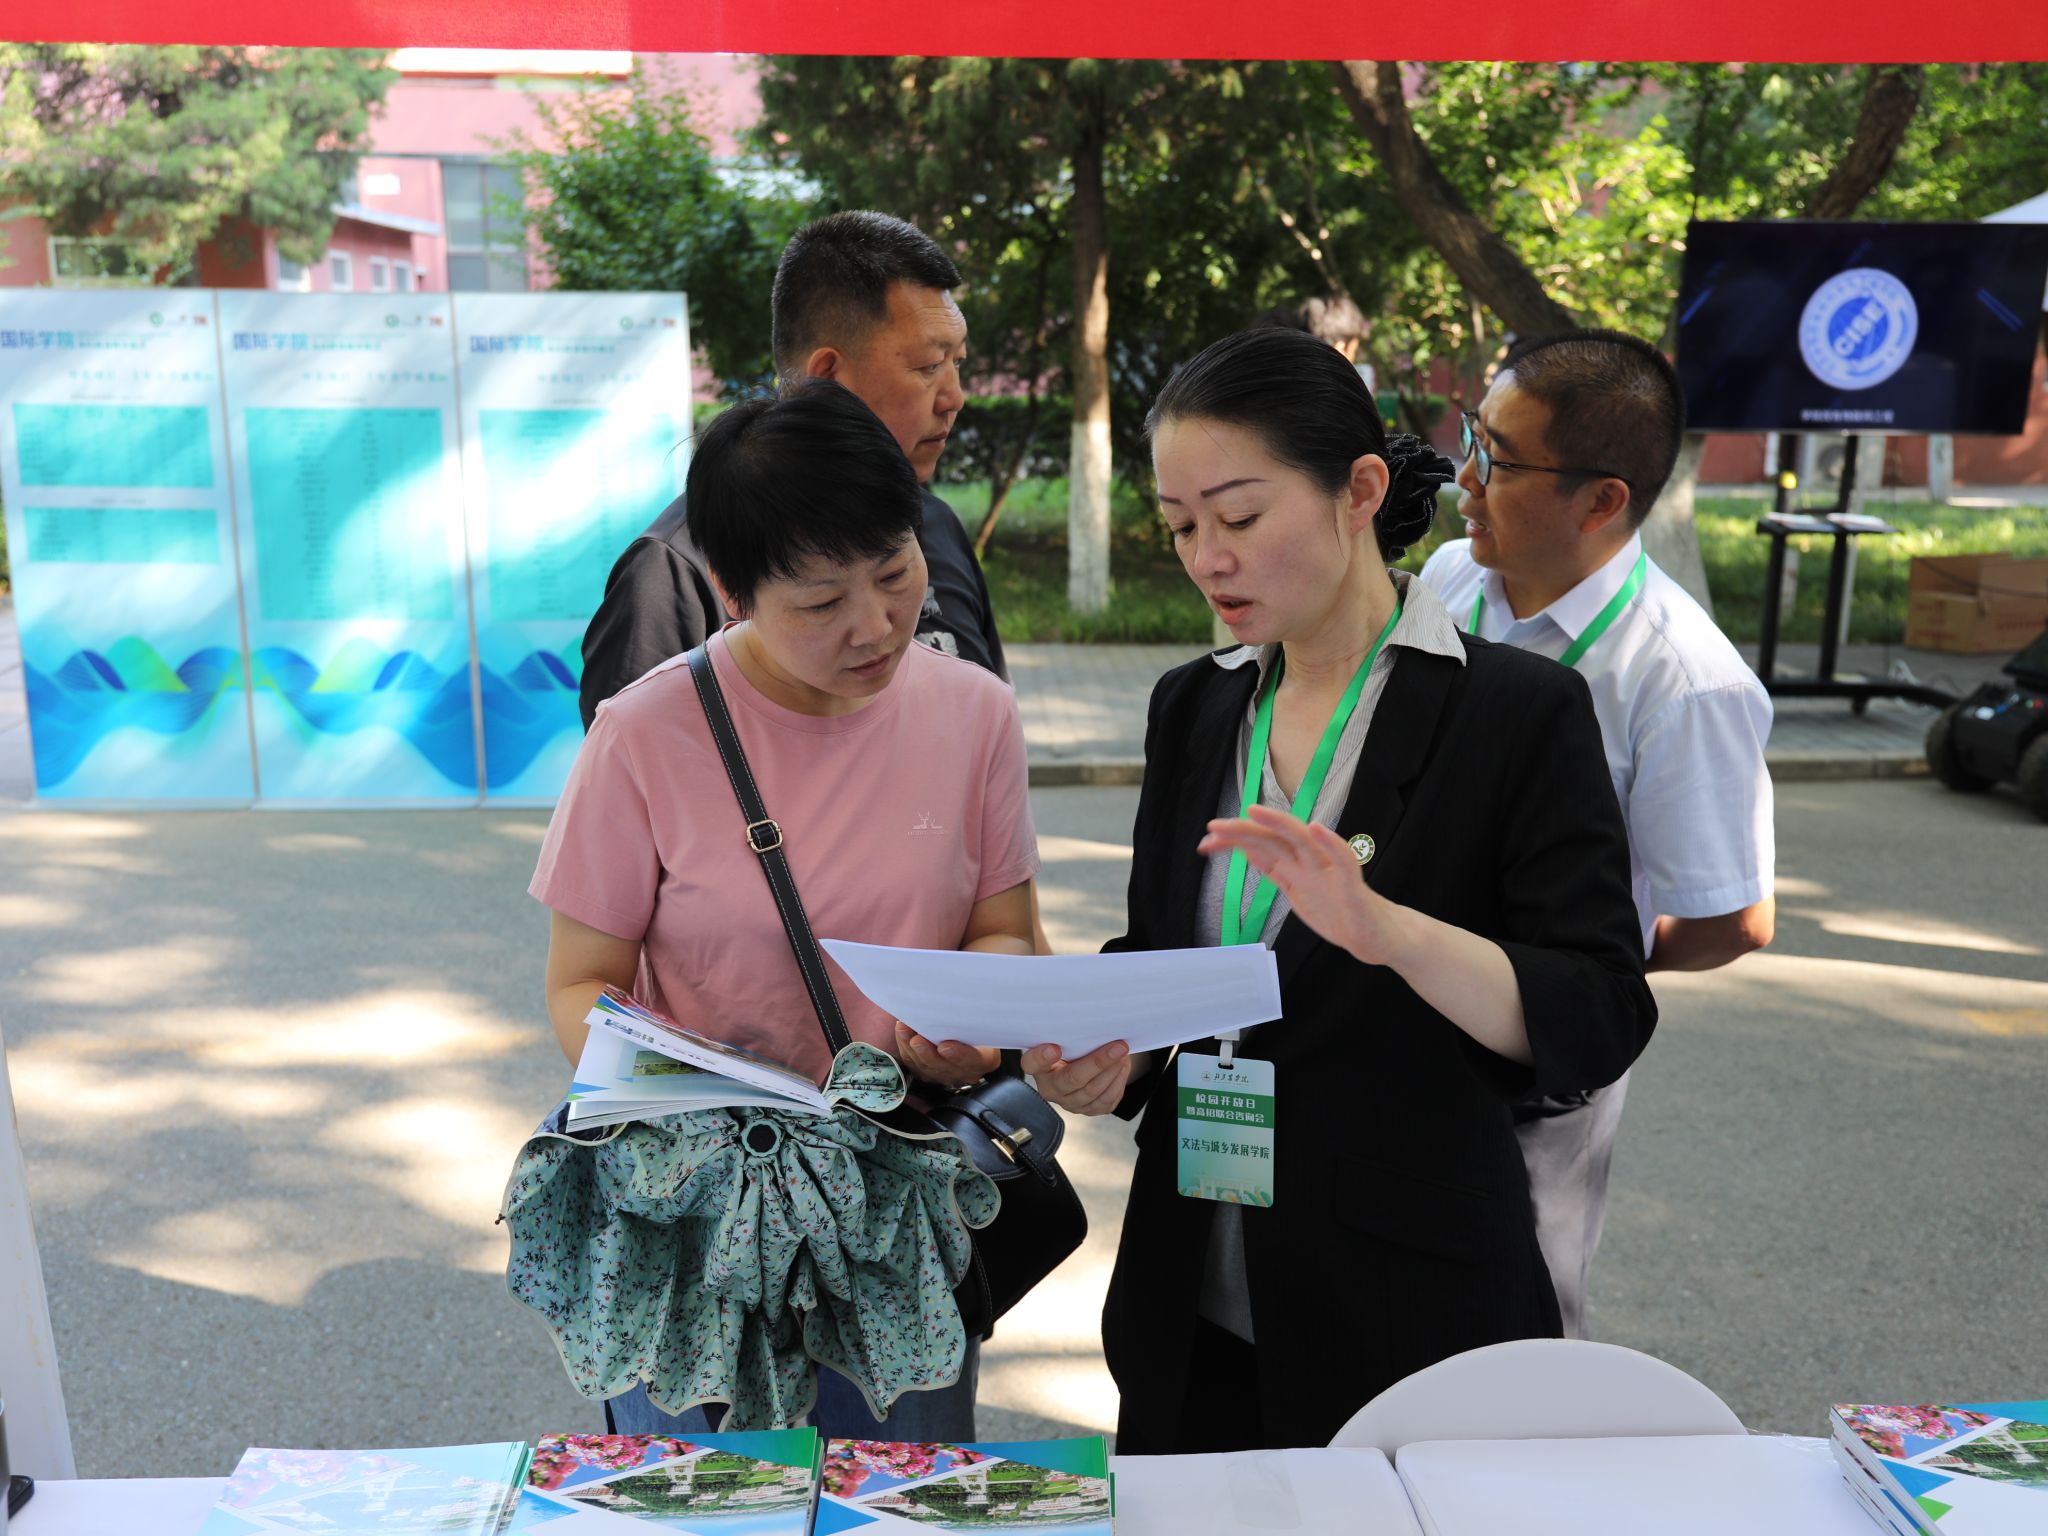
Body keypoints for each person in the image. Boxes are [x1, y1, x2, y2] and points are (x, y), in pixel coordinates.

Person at [1024, 327, 1657, 1453]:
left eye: (1238, 517)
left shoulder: (1516, 714)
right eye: (1180, 527)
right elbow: (1165, 956)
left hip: (1402, 1307)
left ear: (1358, 492)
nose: (1206, 559)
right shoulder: (1193, 705)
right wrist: (1113, 1054)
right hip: (1191, 1289)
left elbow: (1600, 1012)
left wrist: (1389, 931)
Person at [532, 382, 1038, 1439]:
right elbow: (580, 983)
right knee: (703, 1495)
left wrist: (969, 1027)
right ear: (732, 590)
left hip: (896, 1212)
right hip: (698, 1222)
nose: (876, 625)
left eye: (894, 572)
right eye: (819, 602)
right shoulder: (644, 734)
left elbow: (1003, 932)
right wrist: (693, 1097)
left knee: (896, 1491)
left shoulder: (975, 714)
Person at [1418, 329, 1775, 1338]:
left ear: (1601, 500)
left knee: (1510, 1330)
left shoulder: (1681, 682)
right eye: (1471, 438)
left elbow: (1732, 920)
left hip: (1536, 1060)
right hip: (1404, 1011)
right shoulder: (1449, 581)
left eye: (1498, 461)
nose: (1463, 479)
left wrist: (1571, 972)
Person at [578, 210, 1007, 730]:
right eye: (928, 366)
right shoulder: (676, 569)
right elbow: (640, 763)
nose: (954, 397)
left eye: (957, 363)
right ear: (826, 376)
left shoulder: (934, 524)